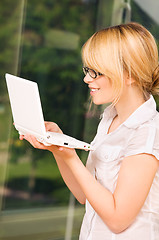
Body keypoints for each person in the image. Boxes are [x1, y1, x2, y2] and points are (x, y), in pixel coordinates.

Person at [20, 22, 159, 239]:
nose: (87, 79)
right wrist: (59, 148)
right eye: (87, 70)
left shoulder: (148, 133)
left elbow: (117, 219)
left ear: (130, 74)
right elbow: (84, 195)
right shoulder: (110, 120)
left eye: (96, 72)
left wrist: (72, 157)